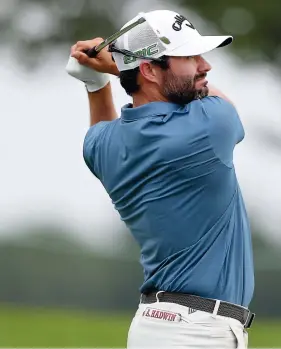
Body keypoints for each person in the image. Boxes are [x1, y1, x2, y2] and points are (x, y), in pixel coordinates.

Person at [66, 9, 255, 349]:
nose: (205, 66)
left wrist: (97, 82)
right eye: (189, 57)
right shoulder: (210, 124)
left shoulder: (100, 146)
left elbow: (104, 129)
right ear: (149, 69)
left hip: (154, 327)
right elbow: (221, 103)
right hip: (198, 332)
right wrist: (110, 69)